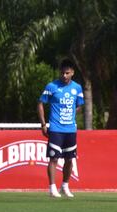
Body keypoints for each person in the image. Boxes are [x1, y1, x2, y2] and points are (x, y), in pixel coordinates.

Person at [37, 58, 84, 198]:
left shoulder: (77, 88)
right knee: (54, 158)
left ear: (72, 73)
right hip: (56, 128)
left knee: (69, 160)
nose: (64, 75)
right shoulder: (52, 86)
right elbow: (40, 103)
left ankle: (65, 186)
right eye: (62, 73)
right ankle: (52, 188)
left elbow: (80, 104)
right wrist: (43, 124)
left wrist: (72, 114)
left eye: (67, 73)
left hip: (70, 129)